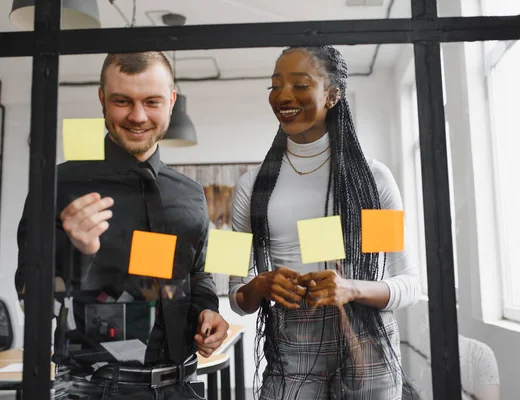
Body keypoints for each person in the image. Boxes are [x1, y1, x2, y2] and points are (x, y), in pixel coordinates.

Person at [15, 52, 228, 399]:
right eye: (122, 101)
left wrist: (209, 310)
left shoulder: (190, 194)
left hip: (183, 385)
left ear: (171, 101)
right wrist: (76, 254)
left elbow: (197, 275)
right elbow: (30, 298)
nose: (138, 116)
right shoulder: (59, 186)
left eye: (152, 101)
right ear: (102, 99)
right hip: (92, 389)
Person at [229, 45, 422, 399]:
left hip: (369, 345)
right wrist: (261, 284)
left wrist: (352, 289)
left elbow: (410, 285)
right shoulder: (249, 186)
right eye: (274, 86)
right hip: (291, 345)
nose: (283, 95)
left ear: (332, 95)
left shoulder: (373, 180)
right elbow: (233, 295)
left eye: (300, 84)